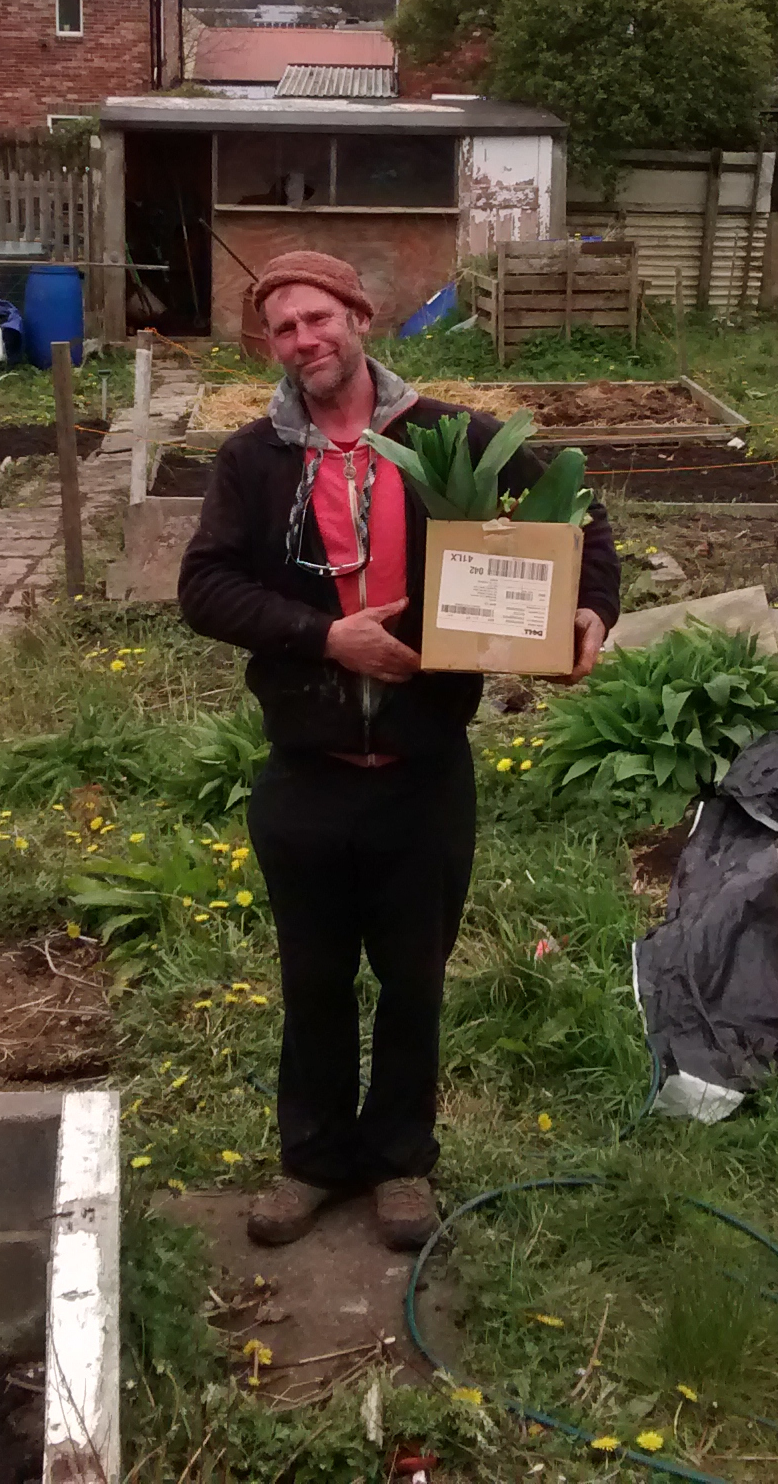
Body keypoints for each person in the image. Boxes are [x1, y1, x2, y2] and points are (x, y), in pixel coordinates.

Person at [177, 250, 619, 1252]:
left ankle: (401, 1163)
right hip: (307, 770)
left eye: (318, 319)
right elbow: (205, 589)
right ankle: (313, 1160)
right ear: (271, 346)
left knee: (415, 976)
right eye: (283, 329)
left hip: (424, 770)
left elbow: (581, 516)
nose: (304, 341)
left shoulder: (449, 439)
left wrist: (587, 611)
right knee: (314, 977)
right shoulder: (252, 461)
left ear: (361, 318)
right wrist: (327, 637)